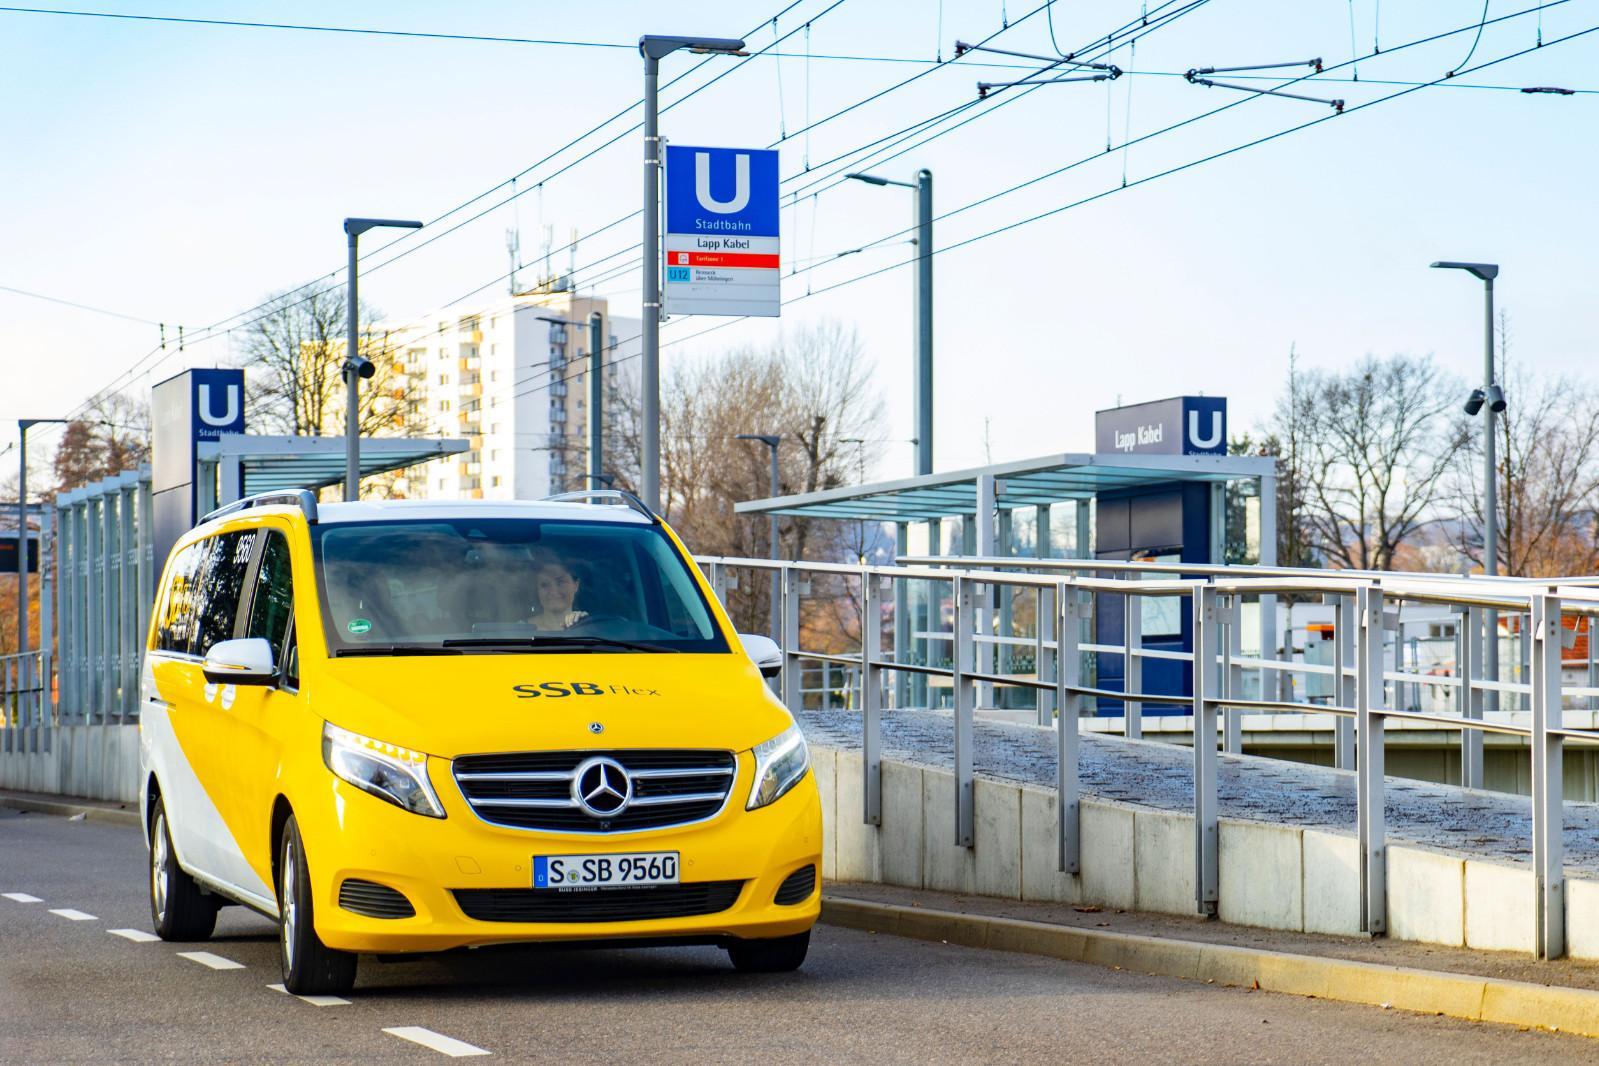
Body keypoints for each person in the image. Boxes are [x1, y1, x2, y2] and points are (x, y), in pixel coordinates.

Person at [530, 554, 588, 630]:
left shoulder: (590, 627)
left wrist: (585, 622)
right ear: (537, 590)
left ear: (575, 585)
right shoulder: (520, 630)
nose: (553, 591)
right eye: (544, 584)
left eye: (561, 582)